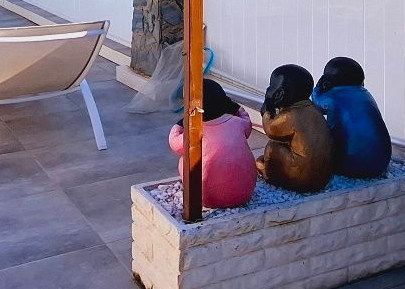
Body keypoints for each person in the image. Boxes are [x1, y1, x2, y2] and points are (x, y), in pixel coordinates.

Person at [168, 79, 256, 208]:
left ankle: (194, 188)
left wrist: (181, 123)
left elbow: (174, 143)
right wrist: (235, 107)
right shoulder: (238, 124)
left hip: (209, 198)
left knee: (185, 158)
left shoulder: (194, 133)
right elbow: (246, 119)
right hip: (245, 193)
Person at [257, 64, 334, 193]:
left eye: (271, 86)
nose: (268, 89)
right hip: (322, 179)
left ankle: (268, 173)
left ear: (280, 94)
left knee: (273, 146)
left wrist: (267, 110)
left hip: (301, 179)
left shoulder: (290, 116)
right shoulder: (313, 110)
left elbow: (270, 129)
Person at [312, 56, 392, 178]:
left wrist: (318, 88)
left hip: (352, 163)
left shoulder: (332, 98)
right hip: (381, 162)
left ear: (328, 80)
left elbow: (317, 104)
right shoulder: (366, 94)